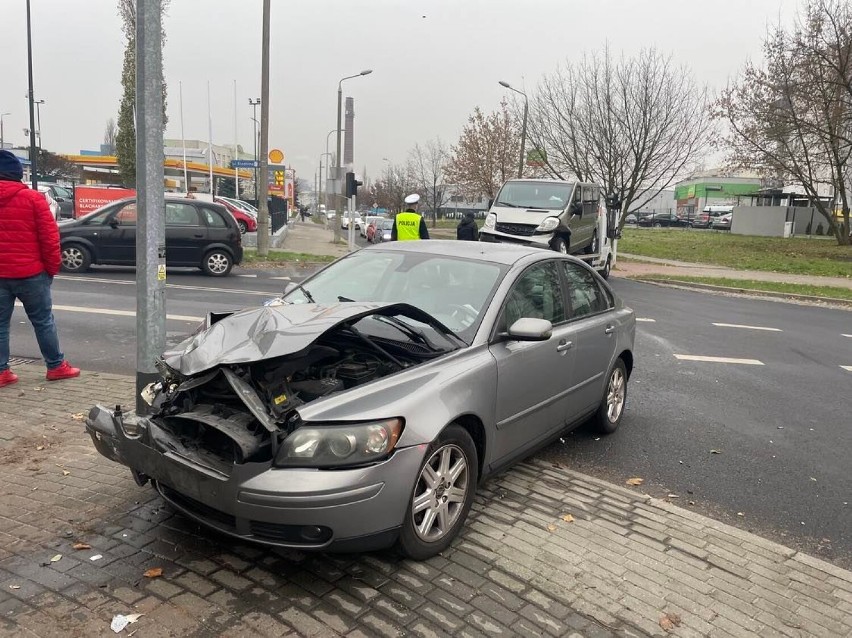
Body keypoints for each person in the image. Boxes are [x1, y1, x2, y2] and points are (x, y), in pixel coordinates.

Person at [0, 150, 80, 388]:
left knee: (0, 325)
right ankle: (55, 366)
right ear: (17, 174)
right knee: (43, 321)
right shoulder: (33, 199)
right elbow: (49, 238)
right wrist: (51, 269)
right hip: (31, 273)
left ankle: (2, 372)